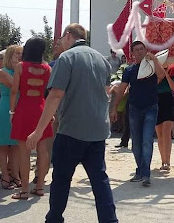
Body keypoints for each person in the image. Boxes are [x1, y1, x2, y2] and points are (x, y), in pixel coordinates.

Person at [25, 24, 116, 222]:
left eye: (60, 39)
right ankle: (109, 220)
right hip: (98, 129)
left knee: (62, 178)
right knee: (100, 180)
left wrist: (38, 131)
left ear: (68, 36)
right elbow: (106, 91)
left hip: (72, 129)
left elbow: (55, 95)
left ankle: (55, 218)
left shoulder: (66, 58)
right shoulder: (102, 60)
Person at [110, 41, 165, 187]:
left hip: (151, 107)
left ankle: (145, 173)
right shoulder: (129, 70)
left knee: (147, 140)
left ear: (145, 50)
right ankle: (140, 170)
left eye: (142, 49)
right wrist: (114, 108)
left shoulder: (153, 67)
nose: (140, 52)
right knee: (136, 142)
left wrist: (154, 59)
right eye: (137, 50)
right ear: (132, 53)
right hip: (134, 108)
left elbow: (161, 75)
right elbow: (121, 90)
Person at [10, 37, 53, 199]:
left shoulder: (21, 67)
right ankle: (40, 186)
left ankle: (24, 190)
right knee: (43, 151)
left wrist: (12, 112)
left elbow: (15, 91)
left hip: (24, 110)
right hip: (42, 109)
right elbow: (48, 93)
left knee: (24, 152)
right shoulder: (47, 68)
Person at [0, 45, 22, 189]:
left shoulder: (19, 71)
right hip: (6, 108)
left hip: (19, 108)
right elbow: (16, 86)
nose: (20, 56)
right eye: (17, 54)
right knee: (4, 144)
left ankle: (15, 175)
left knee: (16, 145)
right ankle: (5, 175)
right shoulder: (3, 72)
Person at [155, 66, 174, 171]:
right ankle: (163, 160)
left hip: (168, 101)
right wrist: (160, 76)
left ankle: (167, 161)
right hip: (156, 101)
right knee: (159, 134)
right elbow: (153, 86)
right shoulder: (153, 72)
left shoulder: (171, 73)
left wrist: (167, 75)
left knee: (166, 132)